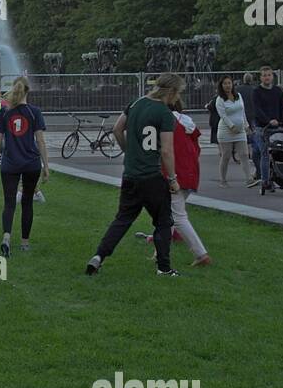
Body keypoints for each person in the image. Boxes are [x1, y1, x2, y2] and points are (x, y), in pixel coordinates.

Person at [85, 72, 183, 277]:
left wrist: (129, 150)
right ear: (171, 91)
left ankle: (99, 256)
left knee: (122, 219)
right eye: (178, 93)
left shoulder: (135, 103)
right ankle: (164, 268)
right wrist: (173, 179)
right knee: (164, 221)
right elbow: (166, 150)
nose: (177, 98)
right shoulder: (164, 113)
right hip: (151, 176)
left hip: (130, 175)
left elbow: (117, 129)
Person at [0, 76, 48, 257]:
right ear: (27, 91)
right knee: (27, 203)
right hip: (31, 163)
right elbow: (40, 140)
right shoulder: (34, 112)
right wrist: (46, 165)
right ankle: (25, 243)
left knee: (9, 203)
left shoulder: (4, 112)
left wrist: (3, 151)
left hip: (10, 163)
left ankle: (6, 237)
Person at [168, 100, 210, 267]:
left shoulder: (169, 123)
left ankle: (201, 254)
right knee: (169, 214)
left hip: (176, 174)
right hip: (190, 172)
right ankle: (160, 251)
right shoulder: (187, 124)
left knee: (177, 216)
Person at [248, 66, 283, 189]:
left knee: (278, 152)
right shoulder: (256, 92)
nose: (267, 77)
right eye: (264, 75)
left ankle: (280, 176)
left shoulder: (277, 91)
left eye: (269, 75)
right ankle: (265, 180)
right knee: (264, 152)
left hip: (277, 126)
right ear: (261, 77)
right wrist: (268, 120)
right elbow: (257, 110)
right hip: (262, 126)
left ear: (272, 76)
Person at [213, 76, 257, 187]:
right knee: (226, 155)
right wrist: (232, 126)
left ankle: (249, 178)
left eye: (229, 83)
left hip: (240, 130)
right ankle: (223, 180)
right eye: (225, 84)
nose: (227, 85)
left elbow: (242, 112)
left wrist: (246, 125)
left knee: (244, 154)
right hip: (226, 131)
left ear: (232, 84)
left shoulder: (238, 96)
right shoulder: (220, 99)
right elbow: (223, 116)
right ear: (221, 86)